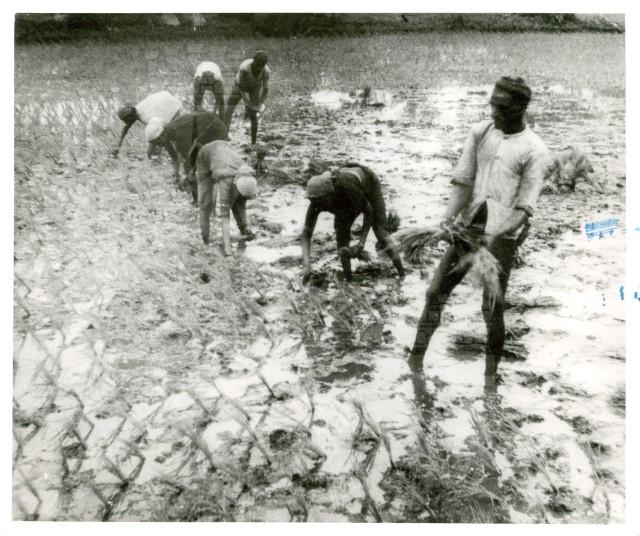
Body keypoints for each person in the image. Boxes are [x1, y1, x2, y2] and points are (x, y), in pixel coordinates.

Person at [408, 77, 550, 391]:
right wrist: (445, 221)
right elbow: (463, 184)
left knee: (492, 308)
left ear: (520, 108)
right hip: (468, 227)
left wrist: (494, 237)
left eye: (501, 107)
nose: (493, 111)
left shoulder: (535, 149)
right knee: (435, 293)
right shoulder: (480, 133)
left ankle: (490, 380)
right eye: (492, 104)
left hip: (502, 237)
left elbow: (523, 209)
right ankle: (415, 361)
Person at [301, 163, 405, 282]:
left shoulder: (348, 189)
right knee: (341, 240)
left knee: (381, 233)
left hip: (368, 183)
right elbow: (306, 233)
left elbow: (368, 211)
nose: (316, 204)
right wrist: (306, 265)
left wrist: (361, 243)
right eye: (312, 200)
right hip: (345, 197)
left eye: (320, 201)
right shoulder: (316, 201)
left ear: (329, 195)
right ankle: (348, 280)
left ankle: (402, 274)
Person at [195, 140, 257, 255]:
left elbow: (242, 203)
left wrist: (245, 227)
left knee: (239, 200)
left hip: (224, 148)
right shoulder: (226, 182)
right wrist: (228, 250)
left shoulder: (246, 173)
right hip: (206, 155)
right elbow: (225, 216)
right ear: (235, 183)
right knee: (205, 204)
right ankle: (205, 239)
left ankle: (244, 229)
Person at [148, 111, 227, 182]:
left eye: (157, 143)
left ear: (161, 136)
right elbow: (174, 157)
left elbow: (193, 156)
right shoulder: (165, 136)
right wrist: (176, 175)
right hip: (203, 130)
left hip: (215, 128)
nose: (158, 146)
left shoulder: (178, 133)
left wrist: (189, 177)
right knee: (191, 165)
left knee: (192, 165)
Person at [113, 90, 181, 158]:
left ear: (131, 117)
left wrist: (151, 148)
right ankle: (164, 150)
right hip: (163, 99)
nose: (126, 122)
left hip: (170, 107)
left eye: (126, 120)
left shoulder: (146, 116)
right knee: (156, 146)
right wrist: (118, 144)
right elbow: (126, 128)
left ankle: (176, 154)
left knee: (170, 135)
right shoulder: (136, 110)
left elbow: (159, 130)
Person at [224, 51, 270, 146]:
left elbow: (265, 90)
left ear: (264, 65)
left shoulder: (266, 71)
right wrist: (247, 102)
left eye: (261, 67)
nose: (258, 68)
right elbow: (240, 87)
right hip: (240, 86)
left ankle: (253, 142)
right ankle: (224, 137)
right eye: (257, 65)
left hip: (255, 88)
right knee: (229, 110)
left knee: (253, 113)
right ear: (254, 62)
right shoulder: (244, 68)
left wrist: (259, 105)